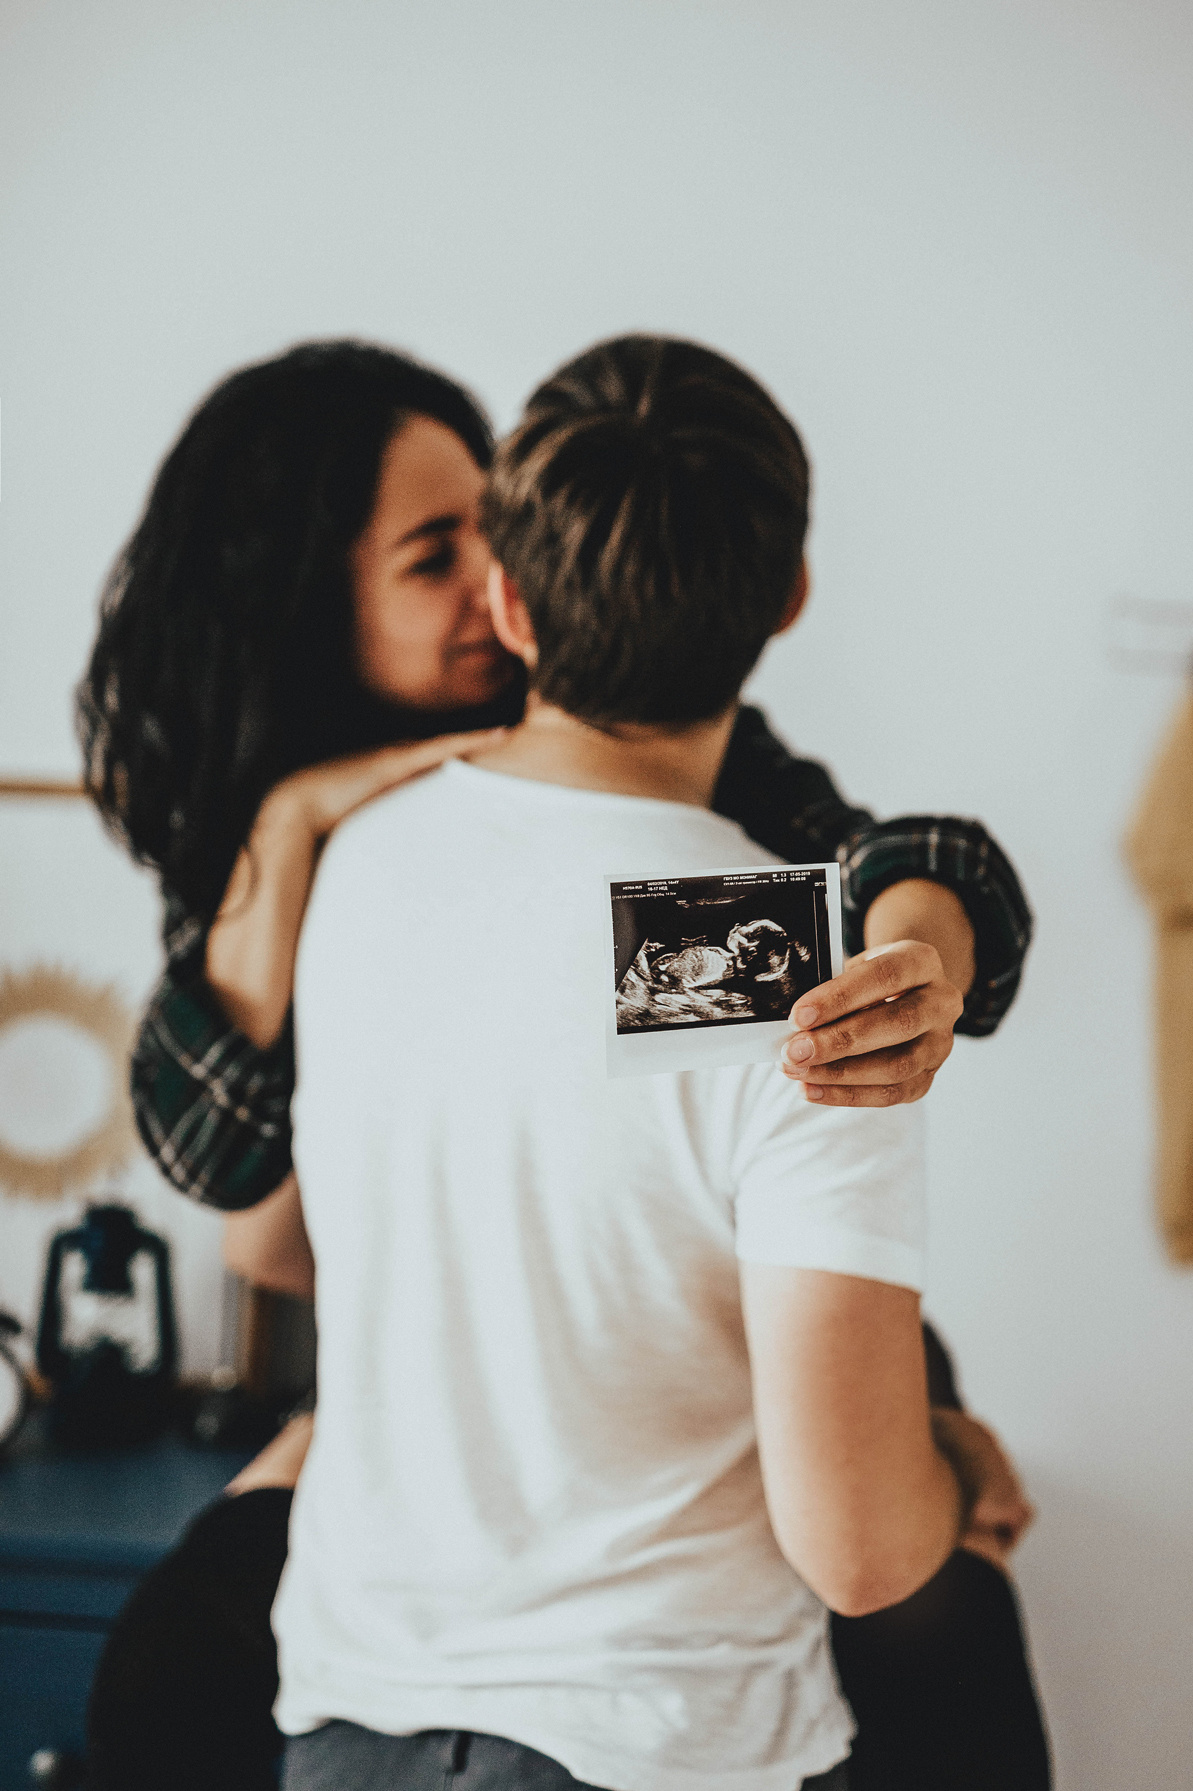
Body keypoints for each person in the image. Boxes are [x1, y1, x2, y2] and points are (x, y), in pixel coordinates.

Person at [77, 339, 1044, 1791]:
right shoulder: (705, 925)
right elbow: (252, 1211)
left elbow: (863, 882)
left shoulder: (633, 905)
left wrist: (909, 947)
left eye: (493, 532)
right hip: (604, 1657)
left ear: (526, 592)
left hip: (445, 1633)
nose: (484, 580)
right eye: (433, 555)